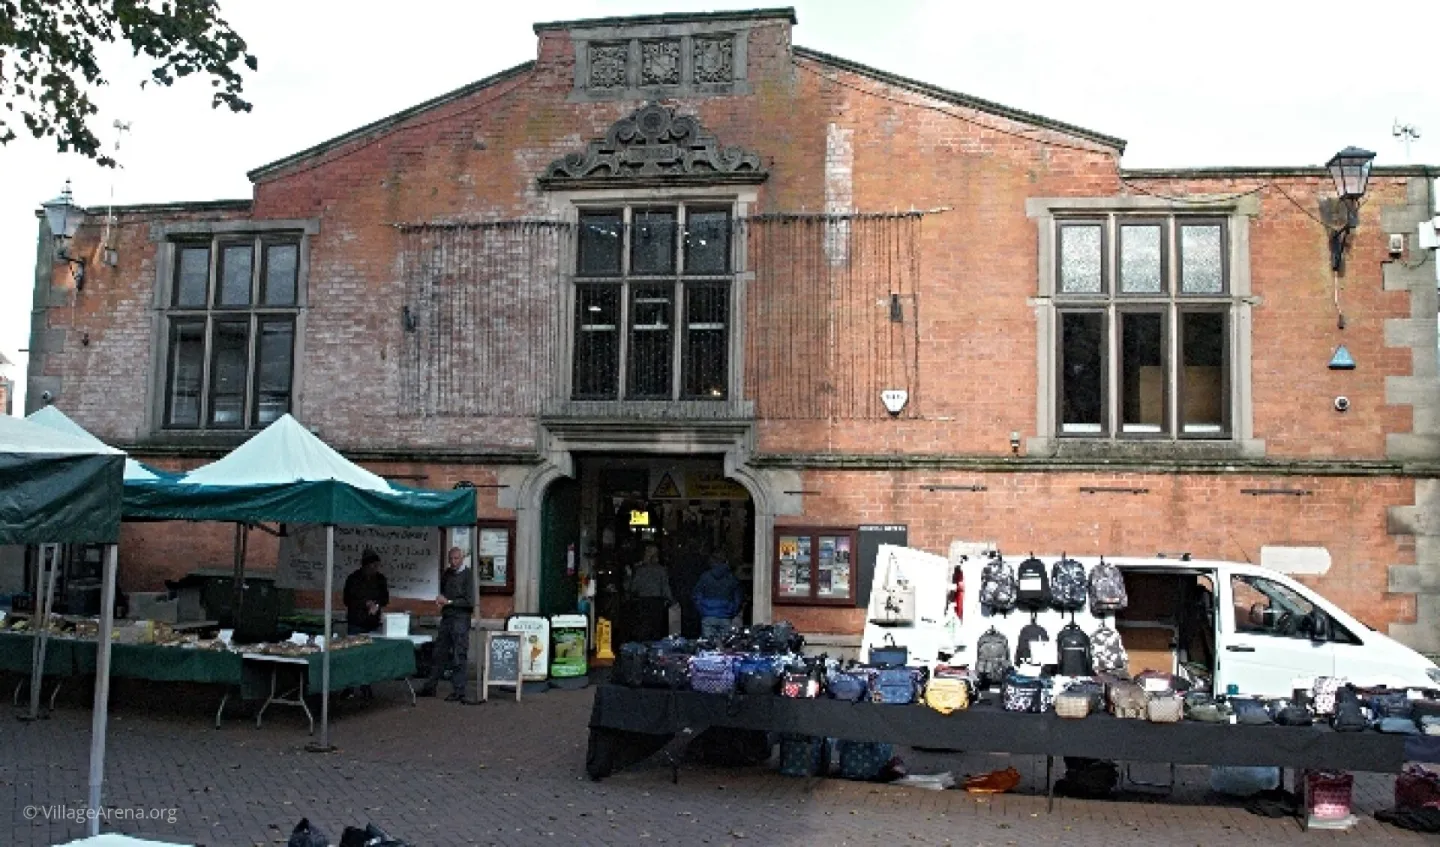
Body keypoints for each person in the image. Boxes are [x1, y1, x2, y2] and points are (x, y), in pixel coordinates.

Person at [419, 546, 474, 702]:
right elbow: (444, 591)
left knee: (459, 654)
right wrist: (441, 600)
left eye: (456, 558)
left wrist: (448, 602)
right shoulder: (447, 574)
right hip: (447, 617)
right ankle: (430, 686)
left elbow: (470, 602)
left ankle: (459, 690)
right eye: (451, 559)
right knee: (439, 653)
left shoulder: (468, 576)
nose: (453, 562)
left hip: (460, 618)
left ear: (462, 558)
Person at [342, 549, 388, 699]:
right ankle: (349, 687)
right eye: (372, 566)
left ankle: (366, 685)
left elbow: (385, 598)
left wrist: (377, 604)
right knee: (352, 654)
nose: (375, 569)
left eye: (377, 566)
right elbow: (347, 599)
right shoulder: (353, 579)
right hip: (356, 621)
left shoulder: (380, 579)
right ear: (365, 566)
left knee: (369, 656)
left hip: (372, 623)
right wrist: (365, 604)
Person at [624, 543, 672, 643]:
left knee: (643, 630)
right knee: (657, 630)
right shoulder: (661, 570)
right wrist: (670, 600)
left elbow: (633, 588)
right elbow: (665, 588)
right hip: (657, 602)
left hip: (643, 601)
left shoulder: (640, 570)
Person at [693, 549, 742, 640]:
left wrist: (702, 610)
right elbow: (737, 599)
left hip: (708, 616)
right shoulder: (731, 578)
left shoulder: (705, 577)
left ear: (712, 561)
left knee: (708, 646)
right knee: (724, 648)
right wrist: (731, 611)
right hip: (725, 616)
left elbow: (697, 596)